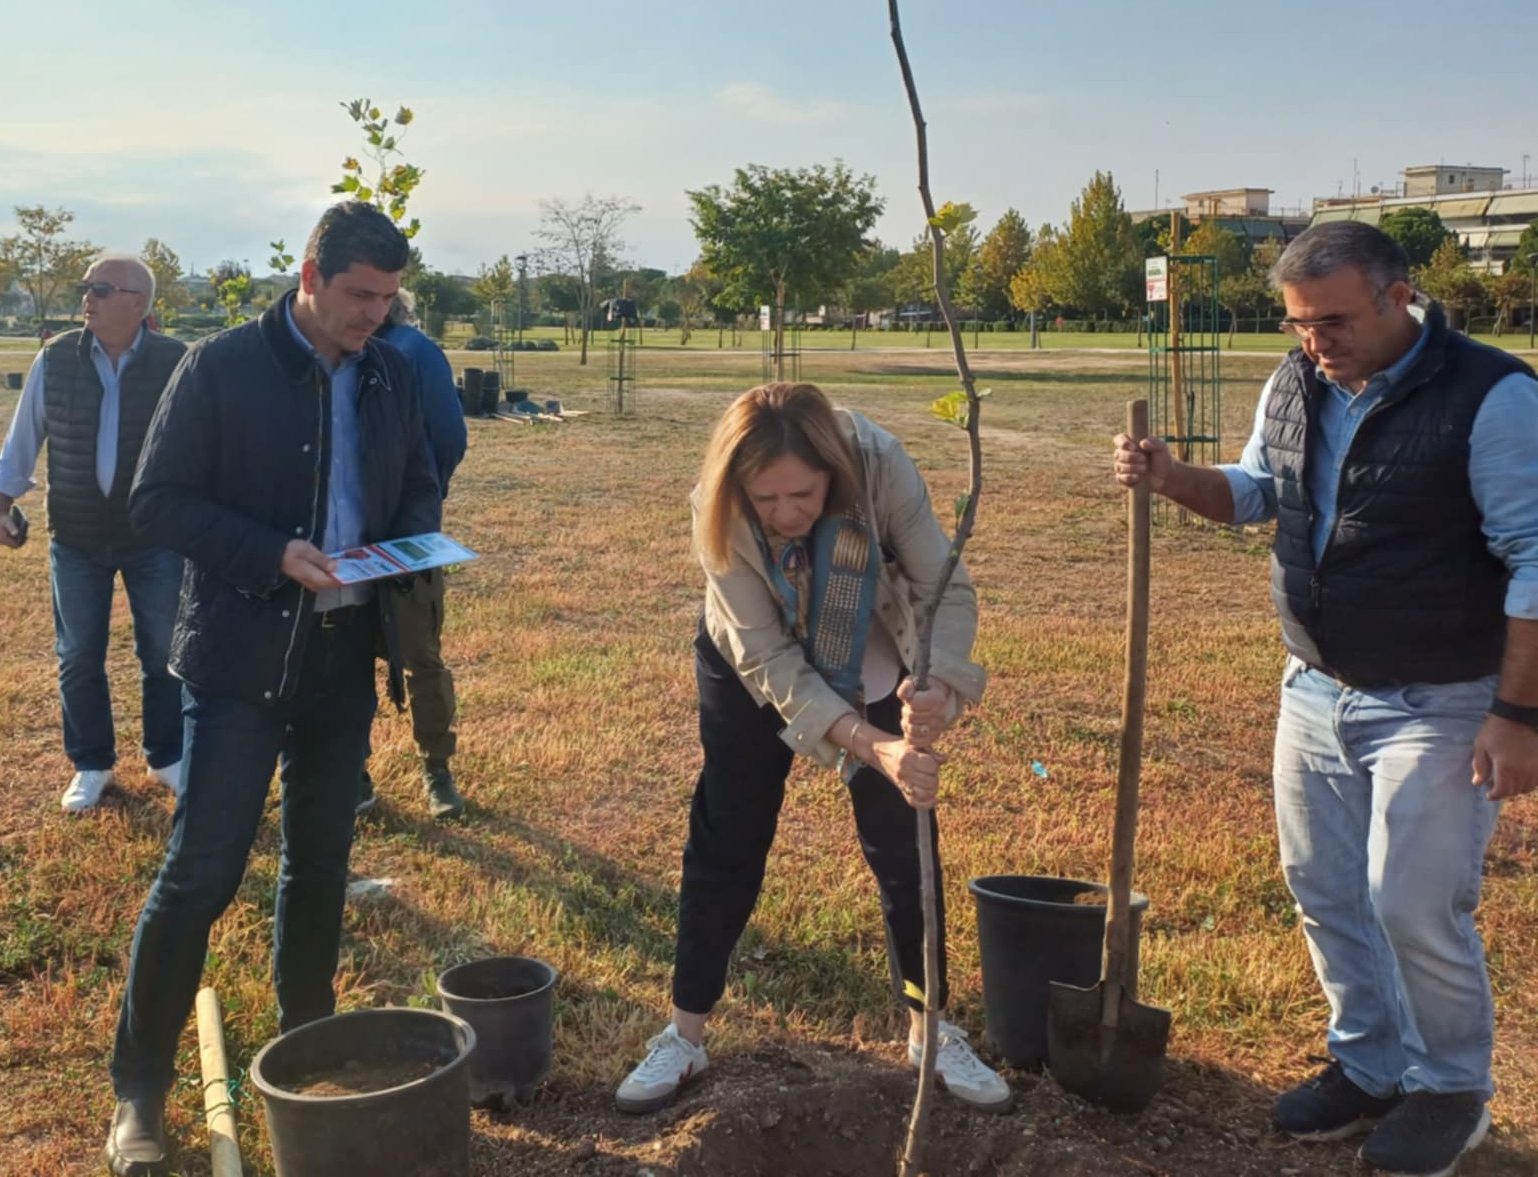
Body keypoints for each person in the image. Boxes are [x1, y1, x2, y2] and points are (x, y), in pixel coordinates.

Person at [1112, 221, 1538, 1177]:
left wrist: (1517, 717)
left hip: (1440, 695)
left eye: (1334, 320)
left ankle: (1449, 1088)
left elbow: (1535, 558)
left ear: (1400, 296)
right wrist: (1174, 477)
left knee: (1411, 902)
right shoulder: (1295, 381)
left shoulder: (1494, 395)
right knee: (1327, 892)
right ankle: (1368, 1065)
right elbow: (1260, 490)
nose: (1317, 340)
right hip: (1313, 686)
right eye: (1301, 323)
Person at [102, 201, 440, 1177]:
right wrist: (270, 554)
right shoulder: (220, 367)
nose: (373, 314)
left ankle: (307, 1043)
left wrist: (401, 549)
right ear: (308, 275)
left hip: (343, 656)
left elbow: (418, 482)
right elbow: (155, 499)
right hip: (239, 659)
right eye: (357, 295)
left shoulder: (388, 372)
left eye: (386, 297)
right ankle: (141, 1092)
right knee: (203, 871)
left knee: (321, 858)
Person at [616, 382, 1008, 1118]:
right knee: (729, 830)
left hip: (870, 633)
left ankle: (930, 1028)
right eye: (765, 500)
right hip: (753, 658)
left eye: (800, 495)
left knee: (903, 836)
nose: (785, 515)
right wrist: (867, 742)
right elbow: (770, 661)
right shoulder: (720, 509)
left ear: (832, 470)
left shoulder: (881, 467)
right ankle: (685, 1033)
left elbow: (945, 590)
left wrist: (941, 693)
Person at [0, 252, 187, 816]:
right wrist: (1, 504)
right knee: (78, 655)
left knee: (163, 653)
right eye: (86, 288)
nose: (88, 298)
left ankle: (168, 757)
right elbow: (23, 436)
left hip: (154, 538)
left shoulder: (177, 362)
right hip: (74, 536)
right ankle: (91, 764)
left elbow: (206, 444)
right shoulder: (55, 359)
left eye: (101, 289)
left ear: (138, 304)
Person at [359, 287, 469, 821]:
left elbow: (449, 438)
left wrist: (423, 505)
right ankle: (352, 769)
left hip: (408, 537)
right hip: (342, 540)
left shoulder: (415, 351)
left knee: (420, 655)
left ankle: (436, 767)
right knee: (343, 658)